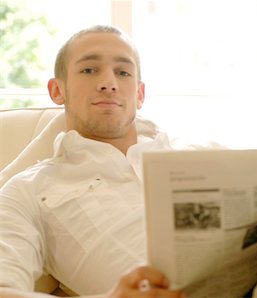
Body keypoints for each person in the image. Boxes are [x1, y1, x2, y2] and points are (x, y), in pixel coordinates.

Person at [0, 25, 186, 298]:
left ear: (140, 94)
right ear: (56, 90)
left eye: (123, 72)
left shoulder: (190, 154)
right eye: (89, 70)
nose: (108, 83)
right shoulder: (27, 190)